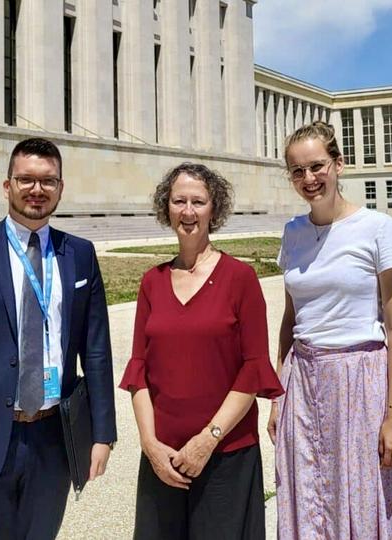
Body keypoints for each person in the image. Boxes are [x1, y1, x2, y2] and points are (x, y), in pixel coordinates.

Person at [0, 137, 117, 539]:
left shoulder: (79, 254)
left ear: (60, 188)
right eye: (26, 179)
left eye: (48, 181)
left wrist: (102, 434)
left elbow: (96, 351)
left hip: (53, 439)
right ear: (7, 185)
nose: (37, 190)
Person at [268, 121, 392, 539]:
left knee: (361, 497)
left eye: (317, 166)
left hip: (360, 380)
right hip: (302, 382)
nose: (309, 178)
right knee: (309, 494)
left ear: (338, 164)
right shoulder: (293, 233)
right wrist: (277, 396)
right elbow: (291, 319)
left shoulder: (378, 229)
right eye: (297, 170)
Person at [119, 163, 283, 540]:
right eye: (179, 201)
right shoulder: (152, 281)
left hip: (226, 453)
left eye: (198, 201)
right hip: (164, 457)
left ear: (214, 209)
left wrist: (207, 439)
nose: (188, 211)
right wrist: (150, 446)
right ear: (167, 208)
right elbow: (139, 370)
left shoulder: (240, 278)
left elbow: (253, 369)